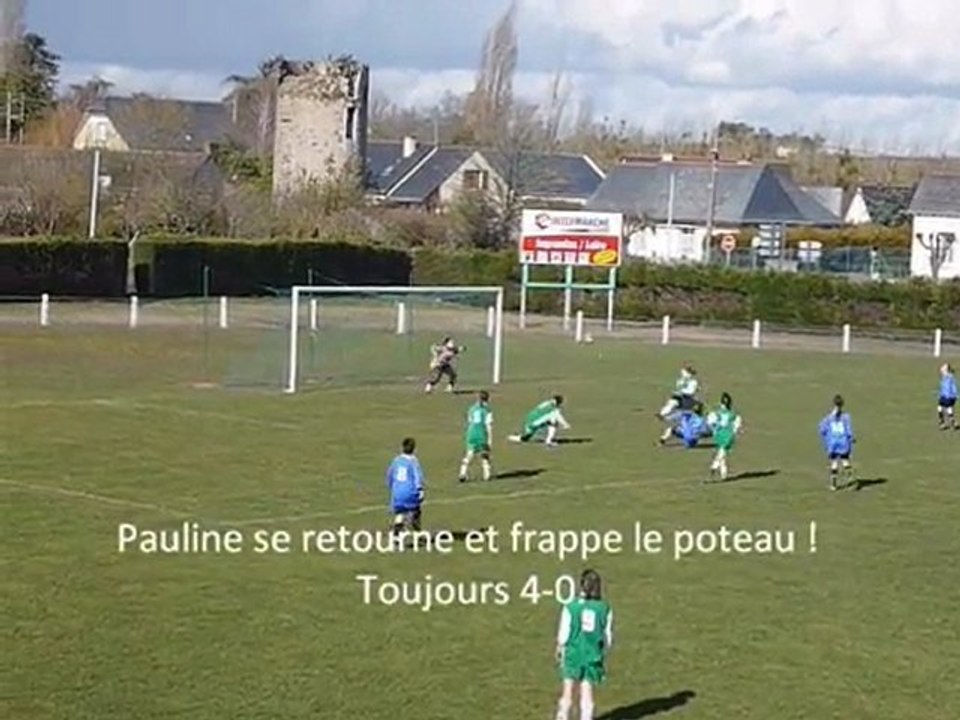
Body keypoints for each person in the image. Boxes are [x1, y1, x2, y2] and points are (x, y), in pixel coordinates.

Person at [554, 569, 613, 720]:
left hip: (573, 653)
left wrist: (560, 647)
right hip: (592, 654)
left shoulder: (571, 607)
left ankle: (563, 716)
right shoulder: (604, 608)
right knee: (587, 691)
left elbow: (564, 633)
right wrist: (603, 650)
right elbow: (607, 636)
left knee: (568, 690)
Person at [385, 437, 425, 533]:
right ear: (414, 449)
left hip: (397, 495)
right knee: (416, 508)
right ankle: (417, 530)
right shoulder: (413, 461)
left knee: (400, 511)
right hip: (410, 494)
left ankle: (398, 525)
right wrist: (420, 490)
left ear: (402, 448)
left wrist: (393, 488)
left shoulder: (396, 461)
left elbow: (389, 477)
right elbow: (418, 478)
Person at [818, 395, 855, 491]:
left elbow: (822, 428)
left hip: (833, 443)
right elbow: (848, 429)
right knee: (845, 461)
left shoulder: (829, 418)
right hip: (843, 443)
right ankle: (850, 480)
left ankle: (834, 485)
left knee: (834, 462)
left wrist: (826, 438)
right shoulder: (846, 417)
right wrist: (851, 438)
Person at [706, 392, 742, 482]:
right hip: (720, 435)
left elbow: (736, 425)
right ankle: (724, 475)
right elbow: (711, 422)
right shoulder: (721, 413)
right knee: (722, 456)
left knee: (721, 454)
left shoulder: (731, 414)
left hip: (727, 436)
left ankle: (712, 470)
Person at [459, 390, 494, 482]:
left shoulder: (472, 408)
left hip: (471, 432)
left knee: (469, 453)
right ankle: (487, 474)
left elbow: (470, 421)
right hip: (481, 433)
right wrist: (489, 440)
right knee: (484, 454)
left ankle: (463, 472)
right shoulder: (487, 411)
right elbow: (488, 425)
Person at [938, 363, 957, 430]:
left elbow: (942, 370)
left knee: (944, 407)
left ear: (946, 370)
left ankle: (943, 422)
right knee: (943, 407)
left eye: (944, 367)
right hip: (946, 395)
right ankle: (950, 422)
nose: (942, 368)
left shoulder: (948, 376)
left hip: (947, 396)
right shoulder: (948, 375)